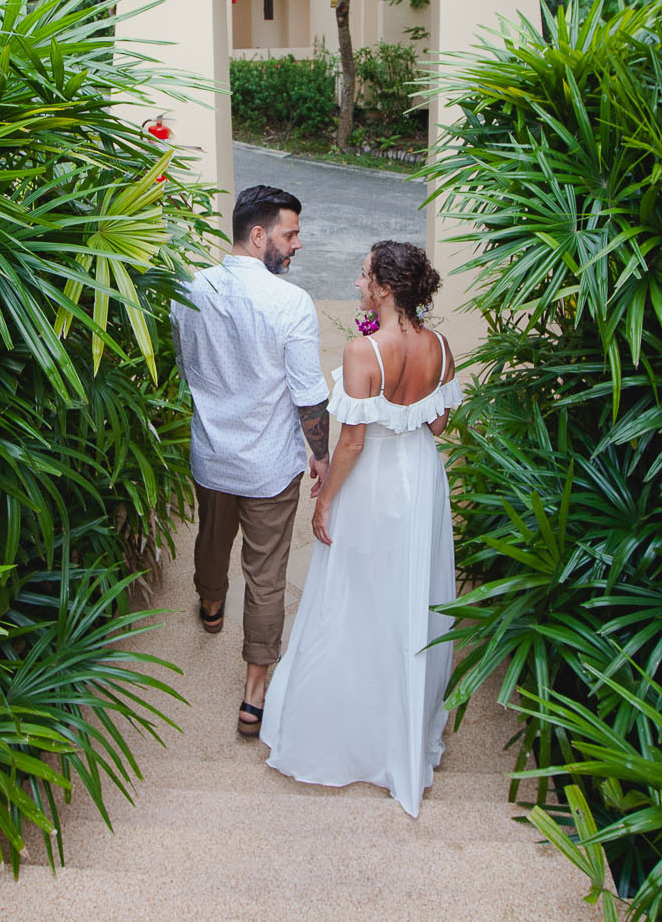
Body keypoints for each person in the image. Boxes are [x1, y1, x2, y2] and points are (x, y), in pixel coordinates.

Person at [260, 239, 460, 816]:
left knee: (353, 600)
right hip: (420, 478)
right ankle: (402, 733)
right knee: (411, 598)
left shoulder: (362, 351)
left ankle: (350, 735)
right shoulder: (442, 346)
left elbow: (351, 440)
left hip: (372, 485)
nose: (357, 281)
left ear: (386, 288)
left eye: (364, 274)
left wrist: (324, 504)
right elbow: (441, 423)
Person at [171, 185, 331, 737]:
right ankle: (253, 695)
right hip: (268, 466)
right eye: (290, 234)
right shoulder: (290, 304)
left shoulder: (186, 287)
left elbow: (185, 365)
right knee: (266, 577)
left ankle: (211, 607)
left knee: (211, 542)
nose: (297, 245)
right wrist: (322, 456)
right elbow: (309, 394)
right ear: (258, 235)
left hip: (211, 456)